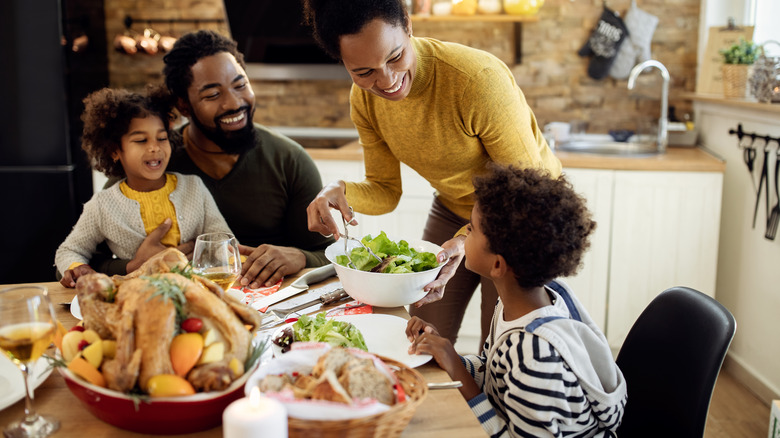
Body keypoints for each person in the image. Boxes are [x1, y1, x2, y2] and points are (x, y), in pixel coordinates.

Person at [302, 0, 562, 347]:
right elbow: (384, 190)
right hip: (454, 207)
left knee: (501, 345)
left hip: (523, 218)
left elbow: (530, 192)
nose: (388, 80)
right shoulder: (364, 101)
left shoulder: (476, 81)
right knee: (421, 336)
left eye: (394, 57)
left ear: (407, 24)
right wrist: (339, 190)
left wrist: (468, 237)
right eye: (364, 72)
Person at [99, 30, 335, 289]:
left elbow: (330, 256)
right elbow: (76, 263)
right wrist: (134, 265)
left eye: (240, 84)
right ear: (184, 106)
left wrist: (301, 256)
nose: (234, 103)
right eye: (212, 95)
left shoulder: (289, 160)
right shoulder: (151, 160)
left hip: (275, 312)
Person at [406, 165, 627, 437]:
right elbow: (494, 372)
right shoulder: (521, 305)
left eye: (472, 230)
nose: (463, 236)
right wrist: (447, 353)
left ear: (497, 265)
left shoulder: (535, 355)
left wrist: (456, 368)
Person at [55, 87, 233, 288]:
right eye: (141, 140)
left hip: (196, 289)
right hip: (138, 295)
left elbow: (223, 241)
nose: (154, 147)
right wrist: (78, 267)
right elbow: (69, 250)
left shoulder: (194, 187)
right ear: (114, 151)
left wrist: (206, 253)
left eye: (162, 138)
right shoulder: (102, 206)